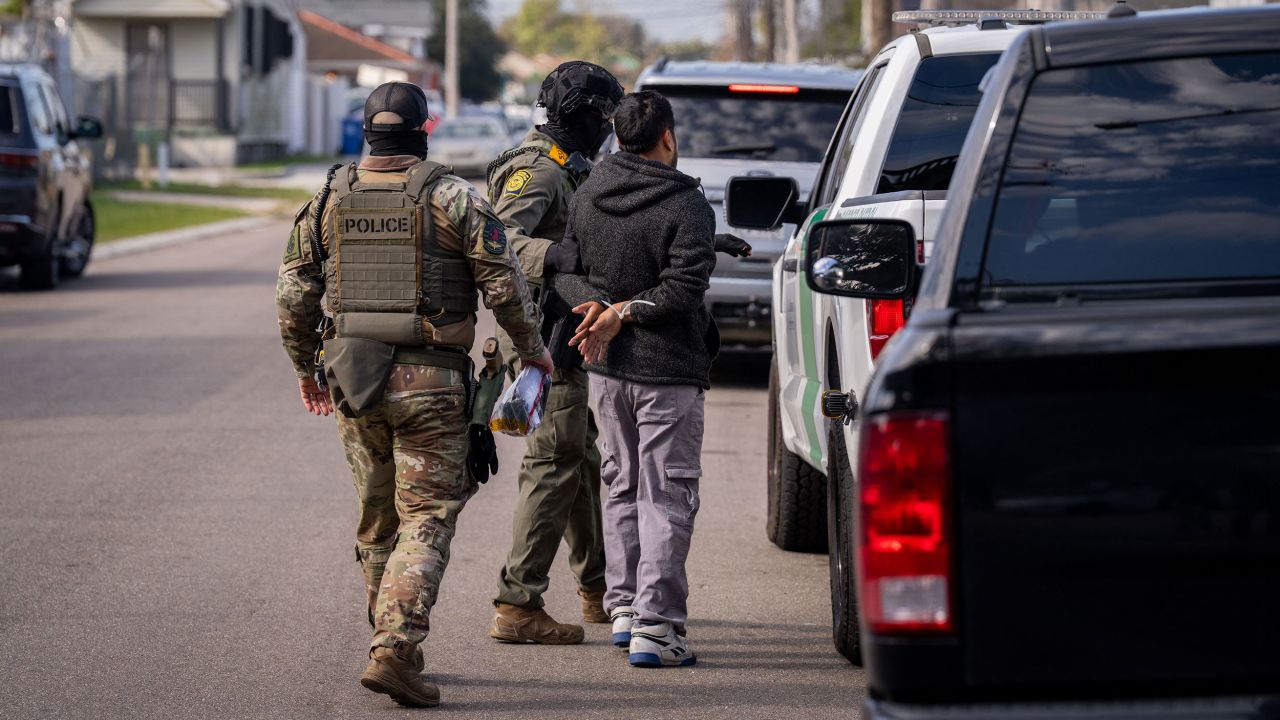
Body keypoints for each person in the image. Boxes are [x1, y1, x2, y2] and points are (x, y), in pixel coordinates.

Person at [275, 81, 552, 706]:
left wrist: (305, 369)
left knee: (378, 519)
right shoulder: (454, 197)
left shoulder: (328, 200)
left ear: (367, 132)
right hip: (432, 383)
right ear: (425, 131)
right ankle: (395, 648)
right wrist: (532, 350)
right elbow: (505, 286)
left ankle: (390, 640)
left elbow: (293, 298)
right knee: (425, 516)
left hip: (354, 381)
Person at [551, 90, 719, 668]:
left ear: (619, 138)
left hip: (606, 370)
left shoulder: (589, 191)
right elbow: (682, 290)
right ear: (667, 137)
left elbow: (564, 272)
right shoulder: (687, 202)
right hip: (667, 372)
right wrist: (619, 312)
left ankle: (624, 608)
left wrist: (601, 309)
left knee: (622, 487)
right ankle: (657, 626)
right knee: (667, 494)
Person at [484, 61, 625, 645]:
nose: (608, 129)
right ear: (582, 116)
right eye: (604, 118)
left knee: (579, 459)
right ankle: (518, 604)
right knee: (553, 463)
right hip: (540, 341)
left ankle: (598, 588)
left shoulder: (572, 166)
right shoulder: (539, 170)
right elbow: (495, 240)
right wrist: (553, 256)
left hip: (563, 335)